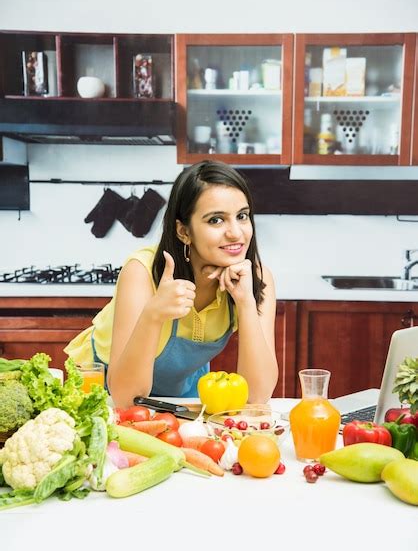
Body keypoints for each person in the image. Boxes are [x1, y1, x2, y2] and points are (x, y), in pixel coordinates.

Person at [65, 160, 278, 409]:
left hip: (178, 394)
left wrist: (245, 303)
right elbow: (126, 398)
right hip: (103, 392)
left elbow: (257, 396)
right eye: (216, 220)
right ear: (183, 231)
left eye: (242, 216)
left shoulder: (255, 279)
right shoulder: (141, 272)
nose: (236, 233)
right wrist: (153, 315)